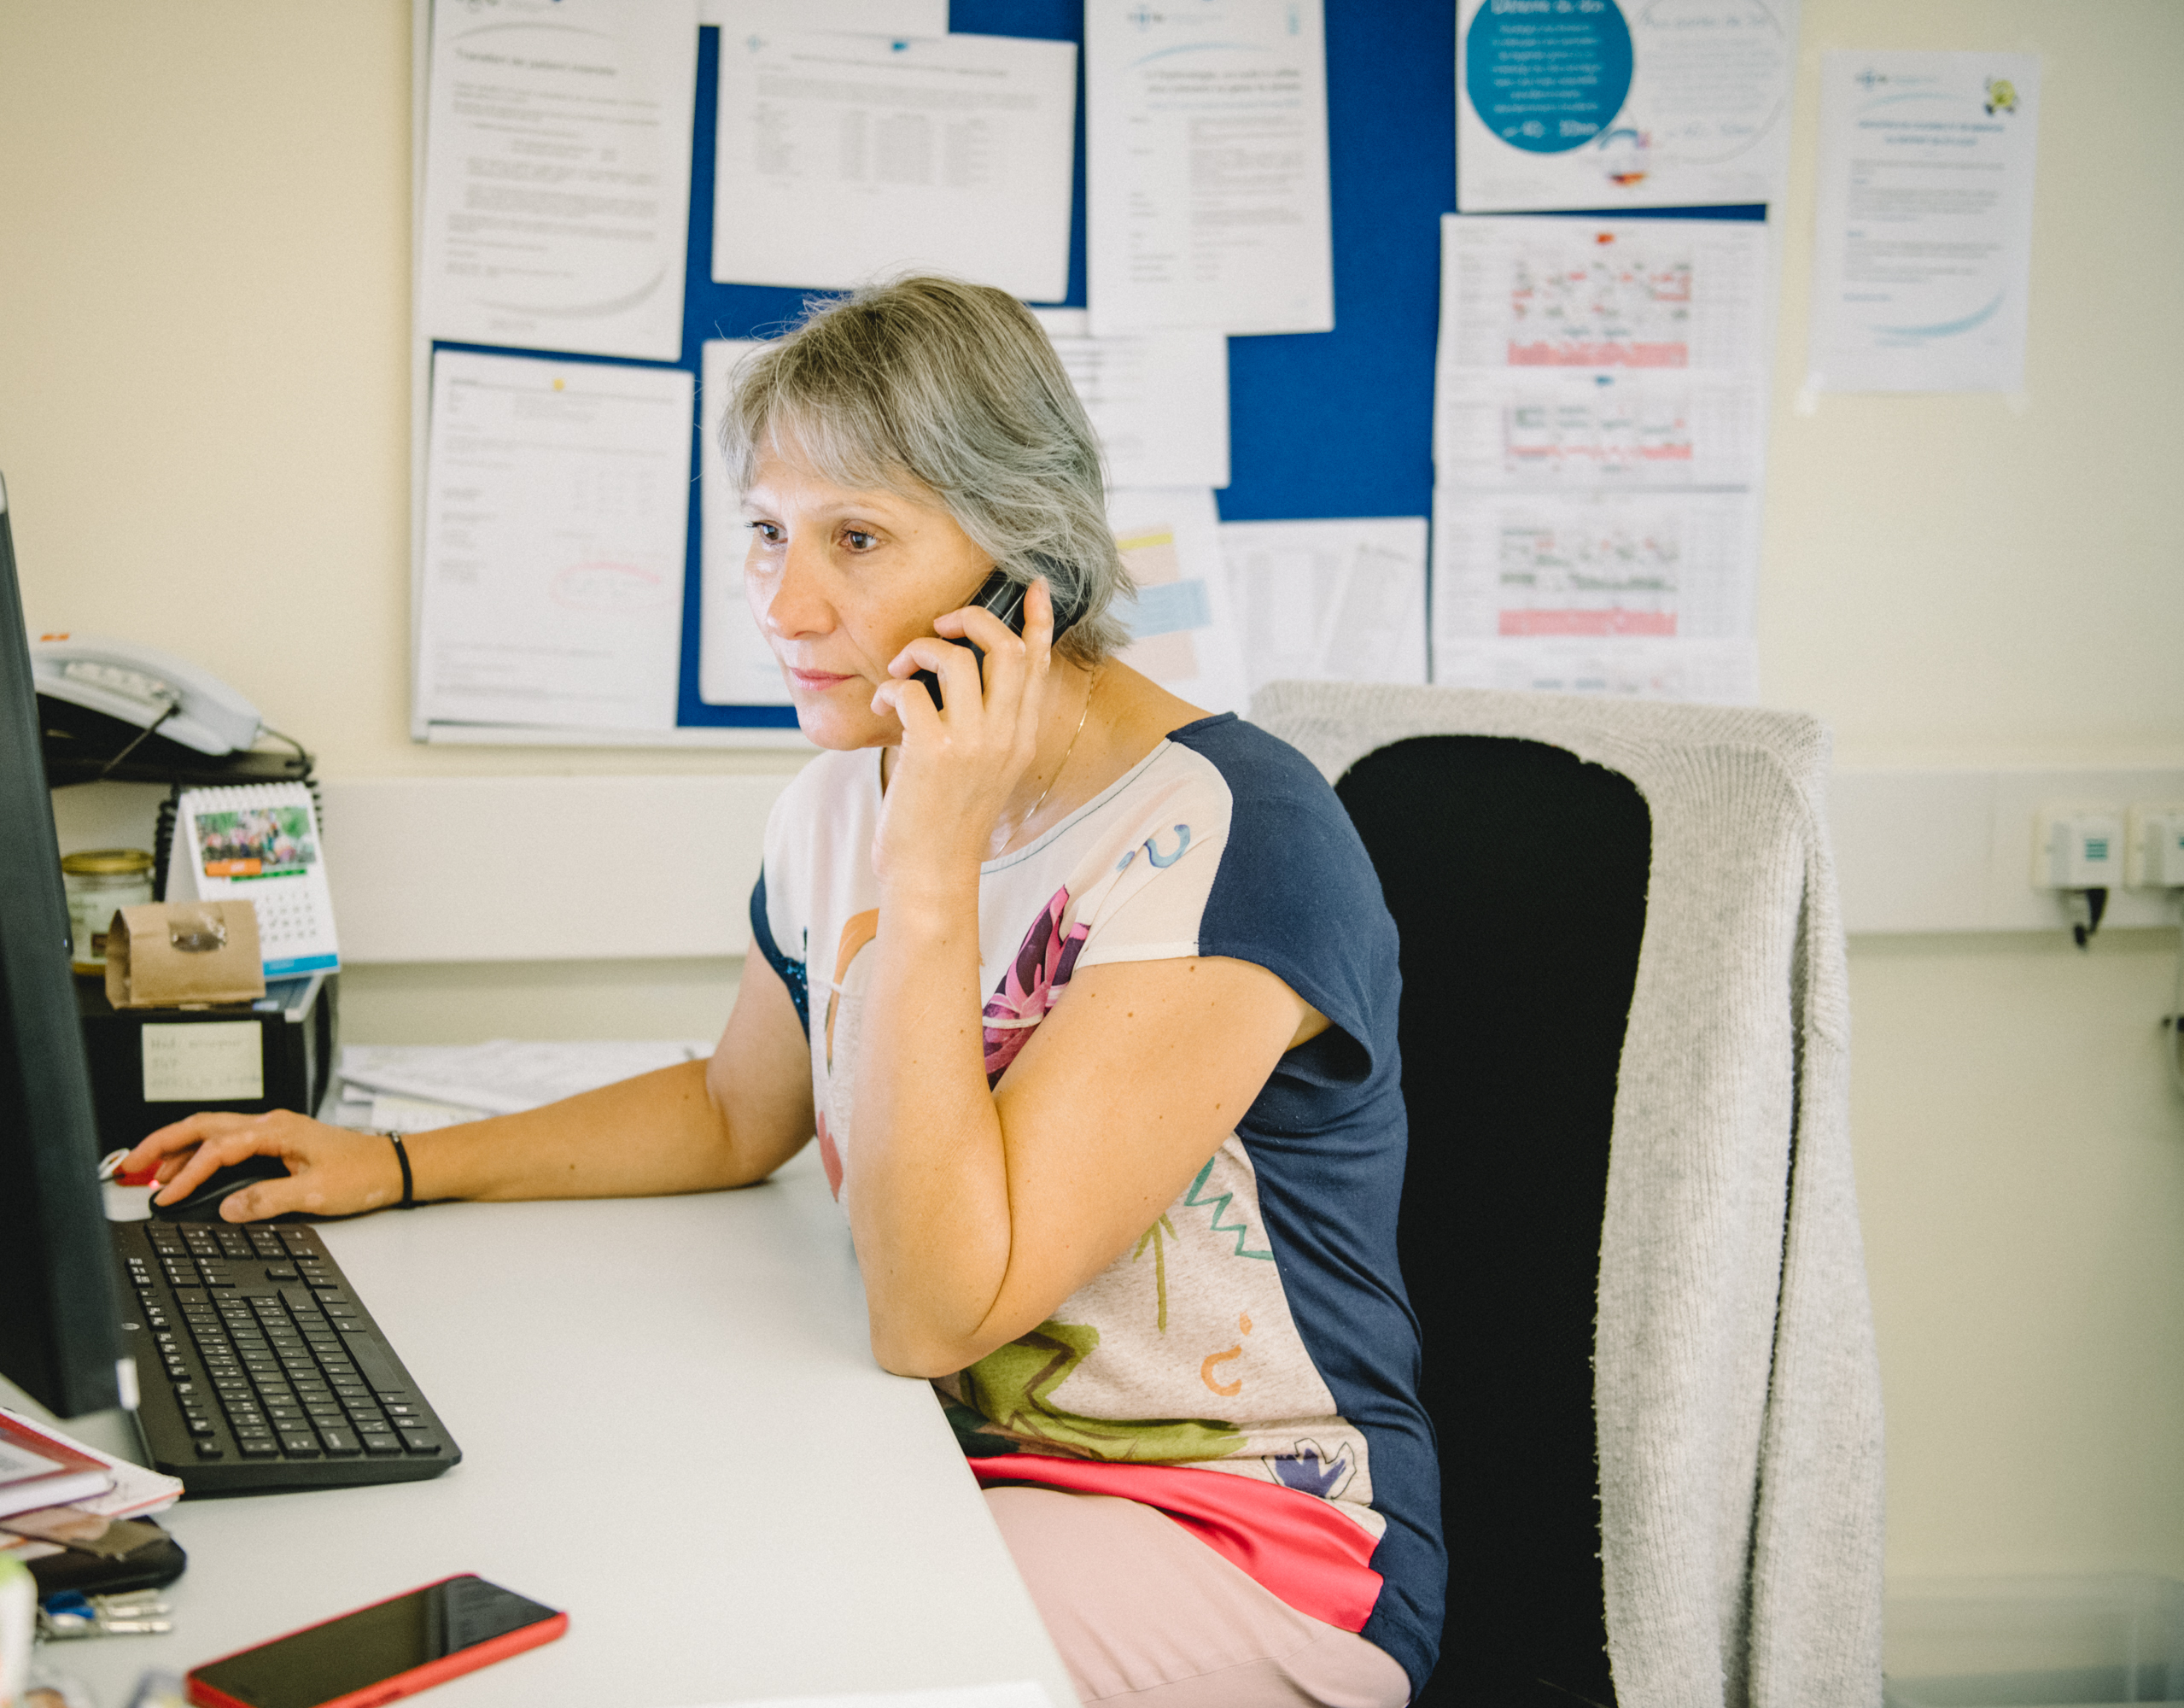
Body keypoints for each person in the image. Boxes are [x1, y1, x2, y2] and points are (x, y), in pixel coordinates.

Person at [125, 275, 1444, 1707]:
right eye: (767, 532)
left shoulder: (1230, 838)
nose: (786, 602)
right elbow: (728, 1106)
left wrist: (929, 861)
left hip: (1239, 1528)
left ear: (1025, 569)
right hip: (932, 1459)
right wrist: (391, 1165)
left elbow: (936, 1318)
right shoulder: (840, 796)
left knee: (716, 1656)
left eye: (858, 538)